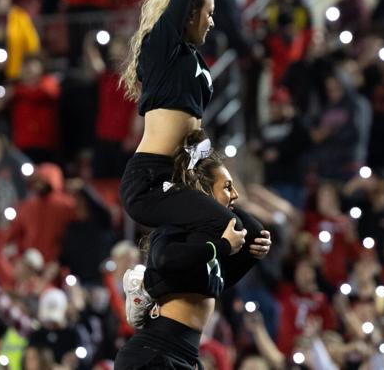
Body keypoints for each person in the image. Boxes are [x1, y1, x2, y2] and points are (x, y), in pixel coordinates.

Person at [119, 0, 262, 262]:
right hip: (151, 181)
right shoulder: (160, 45)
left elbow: (192, 136)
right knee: (227, 233)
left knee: (256, 236)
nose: (213, 22)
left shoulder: (189, 57)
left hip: (182, 172)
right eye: (207, 13)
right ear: (185, 15)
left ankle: (196, 295)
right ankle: (152, 284)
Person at [115, 131, 271, 369]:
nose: (236, 195)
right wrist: (222, 245)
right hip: (155, 352)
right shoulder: (176, 230)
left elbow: (250, 229)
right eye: (227, 187)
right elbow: (166, 258)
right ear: (205, 192)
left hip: (185, 355)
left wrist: (255, 247)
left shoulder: (208, 250)